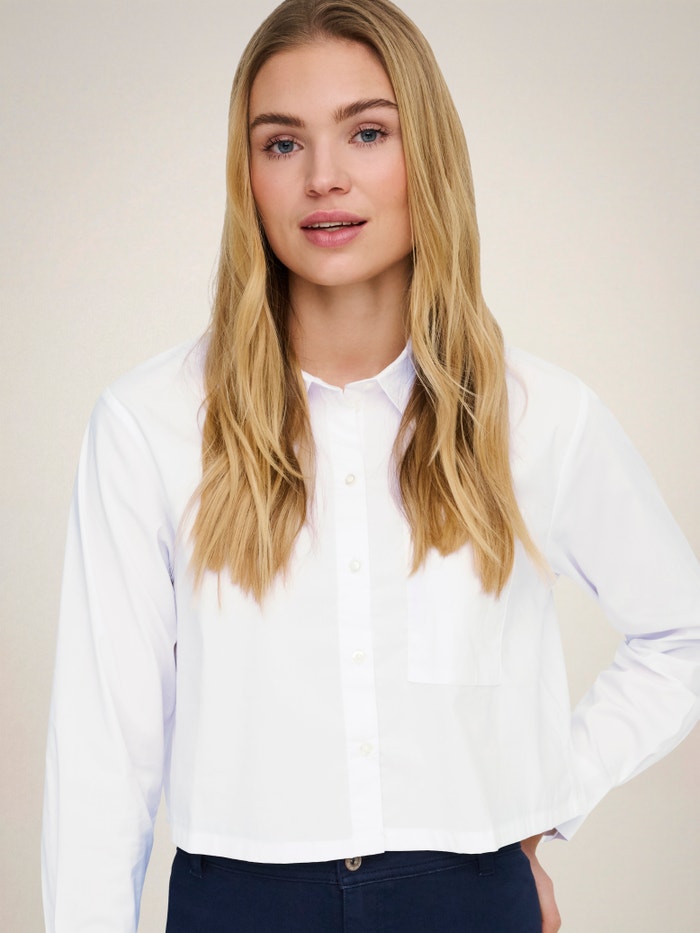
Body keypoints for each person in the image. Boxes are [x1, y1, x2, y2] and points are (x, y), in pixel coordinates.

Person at [41, 0, 700, 931]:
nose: (324, 177)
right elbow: (102, 754)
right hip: (239, 903)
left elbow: (681, 633)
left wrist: (546, 797)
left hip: (470, 899)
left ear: (425, 152)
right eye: (282, 144)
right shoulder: (149, 426)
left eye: (367, 132)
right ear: (247, 175)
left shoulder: (539, 416)